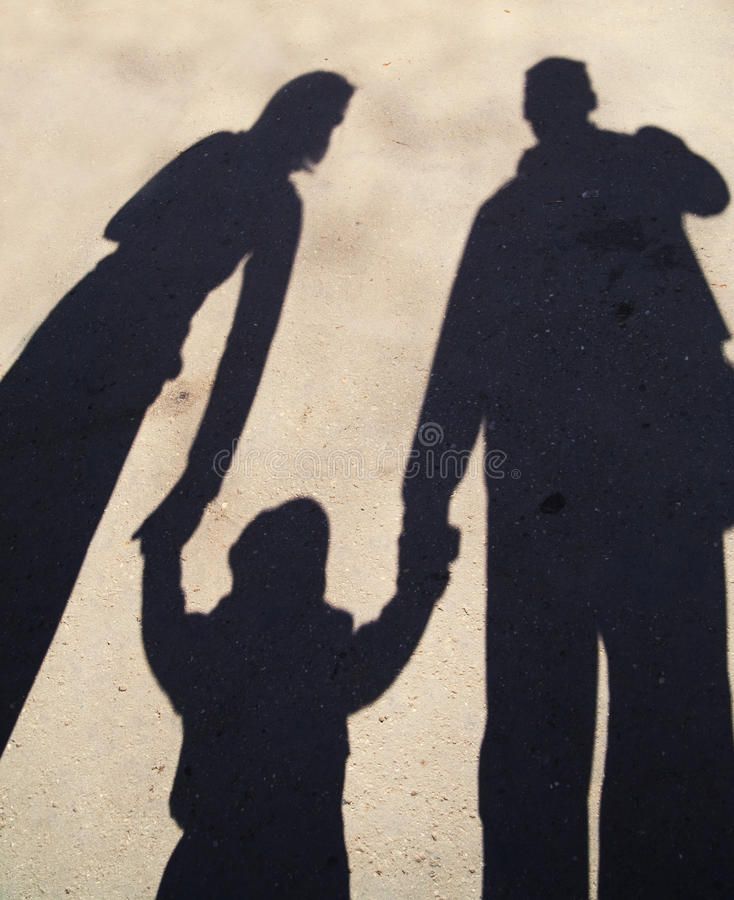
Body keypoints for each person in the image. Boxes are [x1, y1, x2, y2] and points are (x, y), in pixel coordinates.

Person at [400, 58, 734, 897]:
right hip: (664, 485)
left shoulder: (511, 214)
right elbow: (712, 194)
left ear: (535, 118)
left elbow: (458, 370)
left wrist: (426, 499)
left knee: (537, 725)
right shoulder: (641, 178)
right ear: (583, 105)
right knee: (674, 717)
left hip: (549, 491)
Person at [0, 71, 353, 755]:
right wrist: (203, 477)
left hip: (82, 326)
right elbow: (248, 347)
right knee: (39, 549)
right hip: (129, 360)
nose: (329, 135)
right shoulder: (278, 207)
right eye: (329, 119)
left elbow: (122, 223)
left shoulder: (221, 153)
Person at [140, 498, 455, 898]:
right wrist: (421, 586)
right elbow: (387, 647)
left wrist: (159, 551)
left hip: (203, 867)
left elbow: (162, 628)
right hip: (307, 867)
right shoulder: (331, 676)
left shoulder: (203, 663)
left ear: (238, 565)